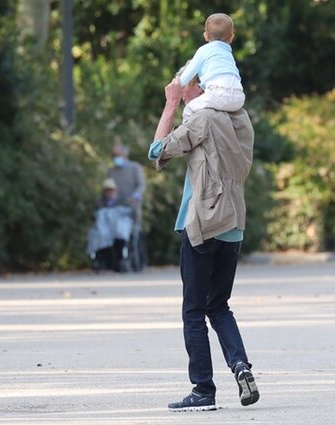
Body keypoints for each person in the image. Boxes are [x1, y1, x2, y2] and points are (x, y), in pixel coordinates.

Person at [148, 67, 258, 412]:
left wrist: (169, 107)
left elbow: (156, 150)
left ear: (201, 87)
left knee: (194, 310)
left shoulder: (201, 119)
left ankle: (203, 391)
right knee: (219, 305)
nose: (180, 89)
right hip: (233, 224)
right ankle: (241, 366)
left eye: (185, 83)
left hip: (202, 222)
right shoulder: (241, 119)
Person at [174, 13, 244, 120]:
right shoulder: (228, 54)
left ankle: (186, 132)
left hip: (219, 94)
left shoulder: (204, 50)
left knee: (189, 109)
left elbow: (188, 74)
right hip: (239, 97)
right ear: (231, 38)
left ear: (205, 36)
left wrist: (175, 85)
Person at [107, 143, 145, 224]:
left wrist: (136, 195)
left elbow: (141, 184)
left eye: (118, 155)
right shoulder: (111, 171)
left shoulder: (135, 167)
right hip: (116, 206)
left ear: (124, 155)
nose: (116, 158)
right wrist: (110, 199)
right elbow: (109, 188)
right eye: (114, 156)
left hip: (132, 206)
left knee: (132, 231)